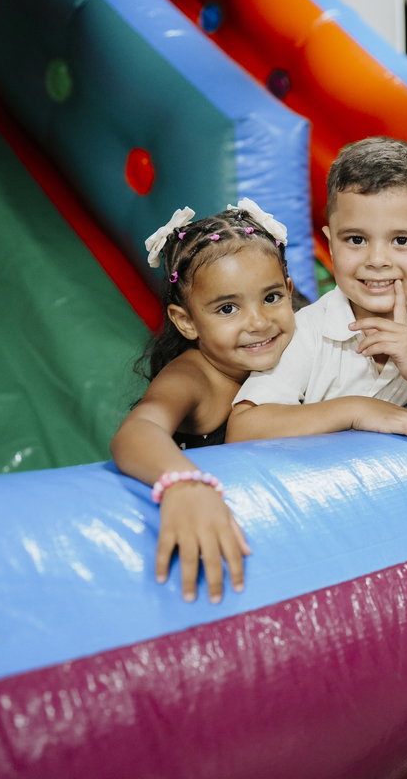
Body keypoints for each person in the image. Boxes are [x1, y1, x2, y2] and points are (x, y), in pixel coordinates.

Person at [228, 137, 407, 446]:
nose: (377, 260)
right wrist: (356, 410)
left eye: (401, 240)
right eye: (356, 240)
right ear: (331, 246)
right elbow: (242, 429)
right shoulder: (304, 332)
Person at [110, 199, 300, 604]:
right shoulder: (195, 376)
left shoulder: (301, 349)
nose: (258, 322)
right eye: (228, 308)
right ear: (187, 322)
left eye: (270, 298)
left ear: (289, 291)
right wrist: (184, 483)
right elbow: (138, 430)